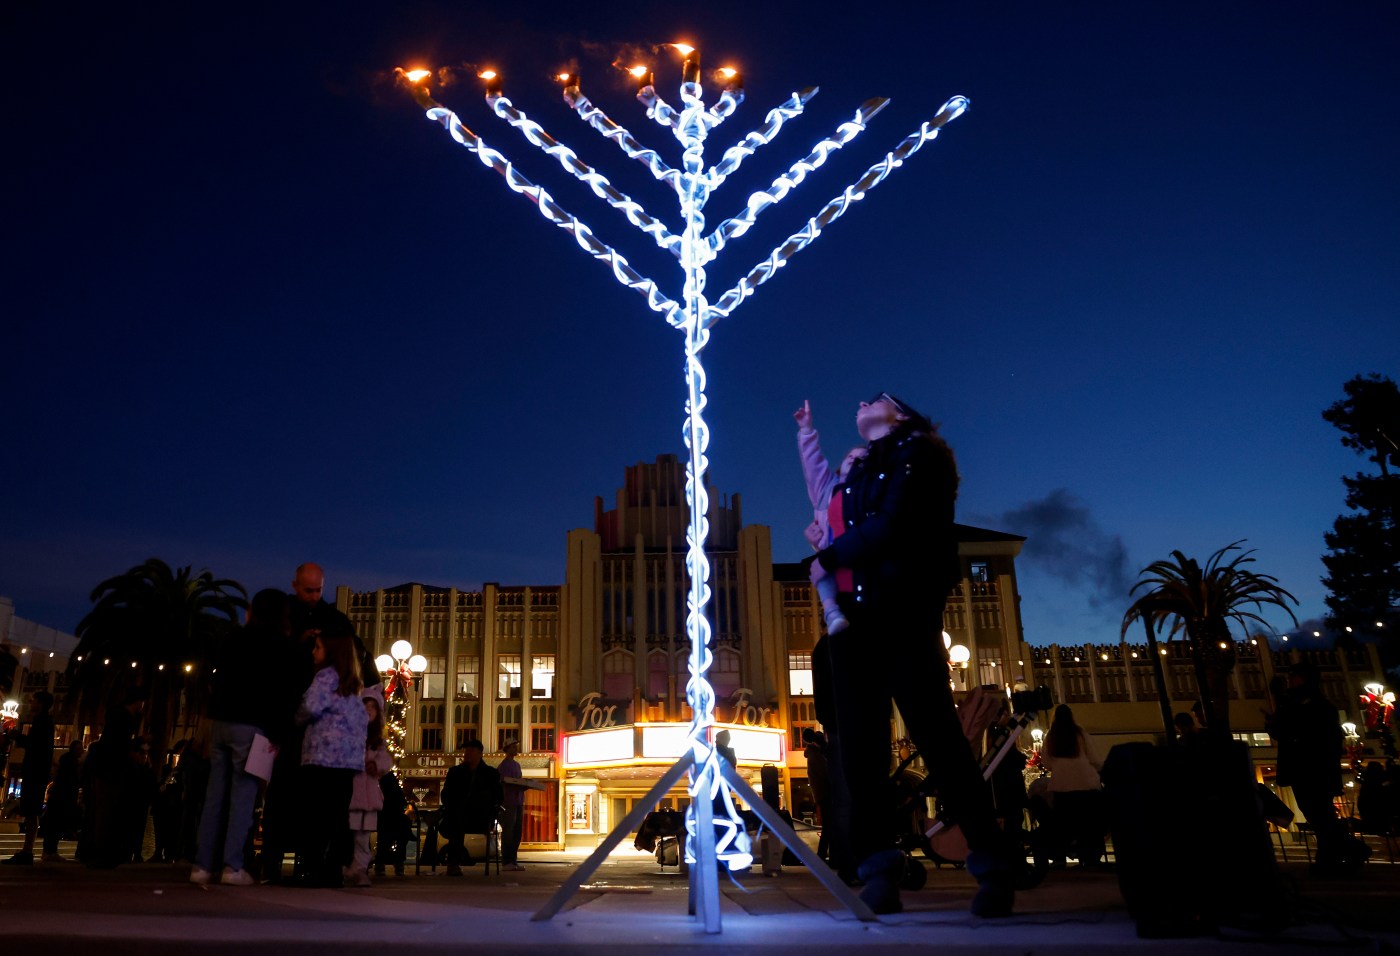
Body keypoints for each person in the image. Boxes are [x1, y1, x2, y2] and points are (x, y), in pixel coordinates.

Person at [810, 392, 1017, 916]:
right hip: (853, 625)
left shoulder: (920, 454)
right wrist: (827, 544)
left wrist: (829, 557)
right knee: (861, 752)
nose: (860, 401)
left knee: (940, 739)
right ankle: (879, 869)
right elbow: (841, 520)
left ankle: (992, 865)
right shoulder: (857, 471)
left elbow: (896, 525)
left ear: (899, 415)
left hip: (904, 614)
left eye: (875, 398)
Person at [190, 588, 292, 886]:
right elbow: (280, 693)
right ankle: (232, 865)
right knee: (243, 797)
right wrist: (278, 733)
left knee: (214, 797)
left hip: (220, 721)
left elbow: (217, 679)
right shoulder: (278, 644)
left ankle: (202, 864)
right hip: (251, 725)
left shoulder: (233, 639)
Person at [1270, 661, 1370, 874]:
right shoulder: (1306, 703)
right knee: (1316, 813)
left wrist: (1281, 710)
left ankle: (1337, 854)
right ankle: (1337, 854)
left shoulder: (1311, 705)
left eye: (1294, 676)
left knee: (1319, 813)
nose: (1291, 680)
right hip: (1309, 767)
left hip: (1310, 767)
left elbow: (1290, 729)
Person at [294, 622, 368, 887]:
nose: (314, 653)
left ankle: (313, 869)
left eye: (318, 647)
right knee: (338, 815)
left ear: (331, 651)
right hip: (347, 761)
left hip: (322, 756)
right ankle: (333, 869)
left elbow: (311, 707)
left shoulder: (325, 677)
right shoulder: (352, 684)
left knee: (315, 815)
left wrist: (295, 719)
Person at [795, 399, 867, 635]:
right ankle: (831, 610)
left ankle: (834, 611)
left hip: (856, 562)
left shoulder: (867, 494)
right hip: (831, 554)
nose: (855, 460)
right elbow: (812, 464)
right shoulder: (827, 489)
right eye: (850, 457)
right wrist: (806, 431)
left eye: (862, 459)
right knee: (821, 572)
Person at [1039, 704, 1105, 868]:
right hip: (1086, 783)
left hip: (1062, 786)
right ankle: (1090, 857)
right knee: (1089, 824)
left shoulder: (1051, 736)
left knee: (1063, 825)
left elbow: (1046, 763)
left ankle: (1060, 856)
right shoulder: (1080, 734)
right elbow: (1094, 758)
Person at [345, 688, 392, 888]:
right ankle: (353, 868)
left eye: (373, 707)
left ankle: (359, 869)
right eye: (365, 705)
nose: (368, 710)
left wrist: (377, 765)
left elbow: (386, 761)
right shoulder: (351, 735)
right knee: (352, 832)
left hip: (370, 795)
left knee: (363, 836)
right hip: (354, 792)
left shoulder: (378, 741)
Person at [2, 690, 56, 865]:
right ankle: (27, 850)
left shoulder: (42, 721)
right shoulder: (45, 721)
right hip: (38, 771)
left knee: (31, 810)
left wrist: (17, 736)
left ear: (40, 703)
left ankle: (27, 851)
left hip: (35, 771)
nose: (30, 703)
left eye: (33, 701)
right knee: (31, 811)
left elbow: (35, 745)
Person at [440, 738, 503, 876]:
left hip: (481, 817)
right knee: (457, 819)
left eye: (471, 750)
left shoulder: (490, 774)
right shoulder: (455, 772)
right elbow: (445, 795)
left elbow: (498, 797)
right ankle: (453, 863)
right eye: (466, 750)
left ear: (480, 753)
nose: (467, 753)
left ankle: (453, 863)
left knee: (458, 817)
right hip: (458, 816)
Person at [41, 739, 84, 861]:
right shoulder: (71, 762)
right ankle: (50, 851)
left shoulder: (67, 760)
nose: (82, 751)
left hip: (60, 798)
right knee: (55, 825)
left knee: (54, 825)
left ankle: (49, 851)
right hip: (62, 799)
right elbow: (73, 781)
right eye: (79, 748)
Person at [802, 728, 834, 861]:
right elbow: (824, 773)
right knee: (830, 825)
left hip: (821, 793)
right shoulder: (816, 755)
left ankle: (823, 854)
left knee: (829, 825)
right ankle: (823, 855)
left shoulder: (813, 754)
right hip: (826, 792)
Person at [497, 739, 527, 872]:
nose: (516, 749)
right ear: (507, 749)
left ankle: (513, 860)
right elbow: (503, 782)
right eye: (513, 747)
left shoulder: (517, 765)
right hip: (509, 802)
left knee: (517, 831)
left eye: (516, 747)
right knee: (508, 831)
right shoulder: (503, 766)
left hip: (519, 801)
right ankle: (507, 861)